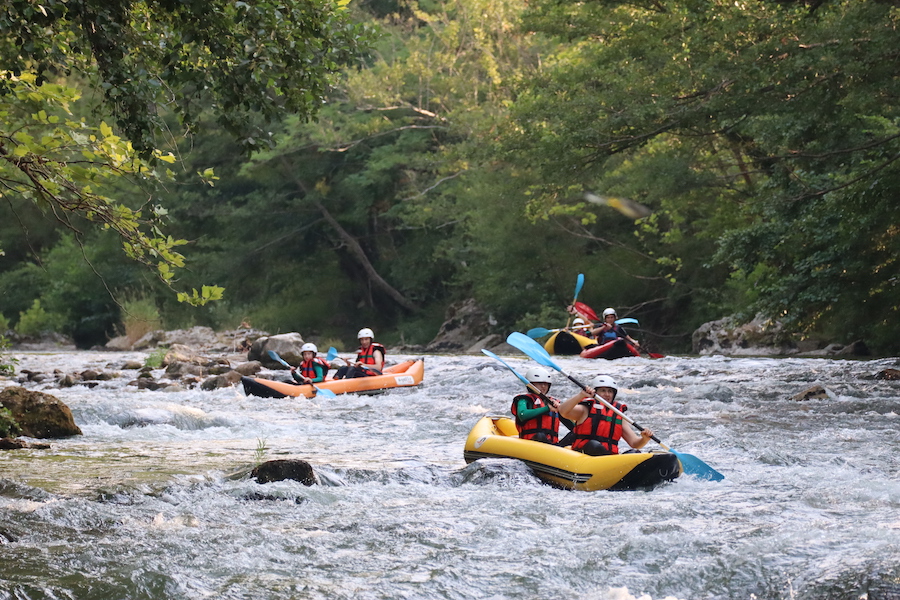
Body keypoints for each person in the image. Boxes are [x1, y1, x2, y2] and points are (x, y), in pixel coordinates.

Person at [557, 375, 653, 456]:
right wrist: (581, 395)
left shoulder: (617, 414)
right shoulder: (586, 409)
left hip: (608, 459)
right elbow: (562, 411)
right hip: (584, 454)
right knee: (593, 445)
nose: (607, 394)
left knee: (635, 452)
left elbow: (634, 443)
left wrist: (644, 439)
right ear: (595, 392)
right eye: (603, 390)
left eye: (610, 391)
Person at [510, 367, 576, 445]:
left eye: (546, 384)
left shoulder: (554, 403)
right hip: (531, 442)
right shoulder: (524, 400)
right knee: (540, 436)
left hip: (553, 445)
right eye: (539, 383)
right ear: (530, 385)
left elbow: (573, 427)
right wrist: (547, 408)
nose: (543, 386)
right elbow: (522, 415)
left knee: (577, 432)